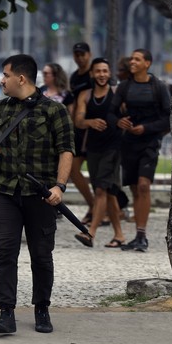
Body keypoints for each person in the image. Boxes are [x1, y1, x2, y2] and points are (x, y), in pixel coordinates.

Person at [0, 54, 73, 335]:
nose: (2, 80)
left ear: (21, 78)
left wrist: (60, 186)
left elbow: (66, 150)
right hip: (4, 191)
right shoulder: (1, 108)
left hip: (40, 194)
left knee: (41, 255)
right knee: (5, 251)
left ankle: (41, 308)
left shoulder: (54, 111)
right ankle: (6, 311)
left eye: (5, 75)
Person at [107, 48, 171, 252]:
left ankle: (142, 235)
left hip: (150, 143)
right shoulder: (125, 86)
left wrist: (147, 128)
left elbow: (168, 117)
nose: (132, 62)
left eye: (137, 59)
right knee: (135, 188)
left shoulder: (159, 87)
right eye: (132, 59)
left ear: (147, 63)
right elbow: (110, 113)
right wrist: (119, 122)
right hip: (129, 143)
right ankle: (138, 234)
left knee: (144, 186)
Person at [73, 58, 126, 248]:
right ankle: (119, 235)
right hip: (93, 148)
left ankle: (90, 233)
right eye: (98, 71)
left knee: (101, 190)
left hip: (113, 147)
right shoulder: (85, 95)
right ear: (92, 74)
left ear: (109, 73)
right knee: (108, 192)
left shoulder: (117, 92)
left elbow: (128, 114)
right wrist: (90, 122)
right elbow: (78, 120)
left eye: (105, 71)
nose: (102, 75)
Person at [66, 42, 96, 224]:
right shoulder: (75, 76)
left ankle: (106, 209)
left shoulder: (96, 72)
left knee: (99, 174)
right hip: (79, 127)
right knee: (72, 169)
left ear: (89, 54)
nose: (79, 57)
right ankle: (93, 205)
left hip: (96, 127)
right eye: (76, 54)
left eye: (82, 54)